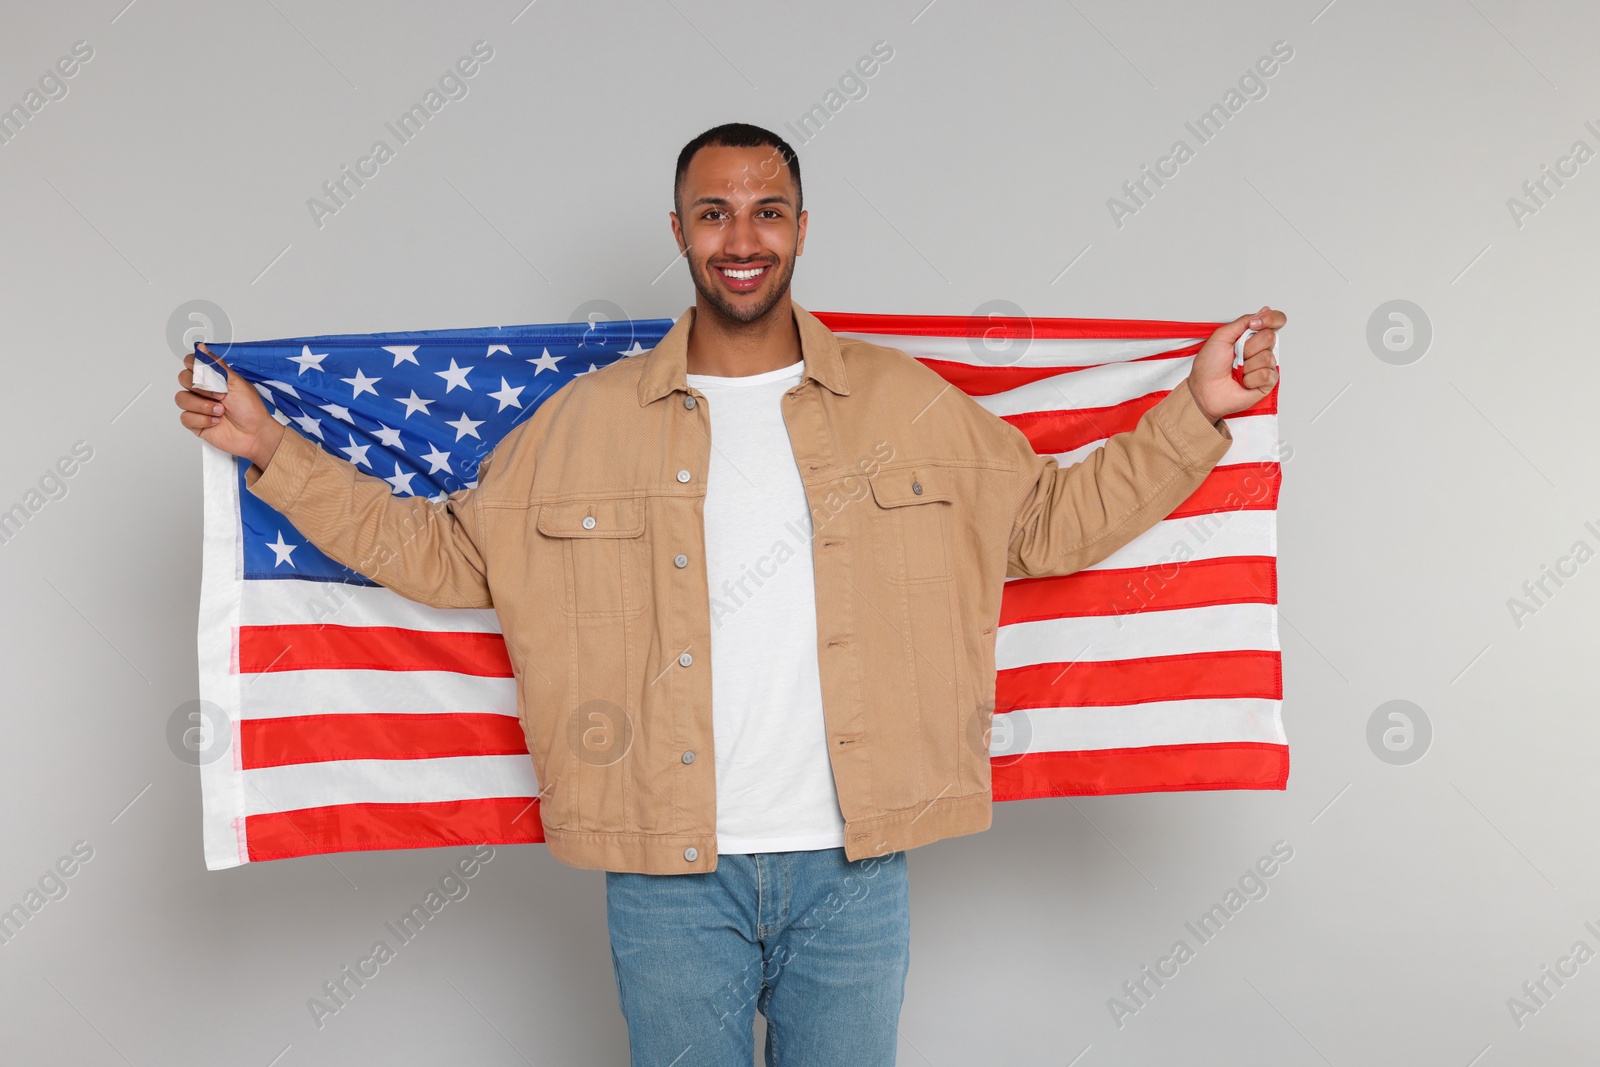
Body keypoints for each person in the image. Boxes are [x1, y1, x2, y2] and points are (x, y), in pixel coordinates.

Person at [175, 121, 1283, 1066]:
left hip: (856, 864)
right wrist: (273, 448)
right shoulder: (589, 419)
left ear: (801, 227)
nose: (740, 237)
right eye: (713, 213)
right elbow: (448, 553)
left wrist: (1197, 409)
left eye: (766, 211)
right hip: (666, 872)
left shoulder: (904, 402)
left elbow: (1048, 522)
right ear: (679, 233)